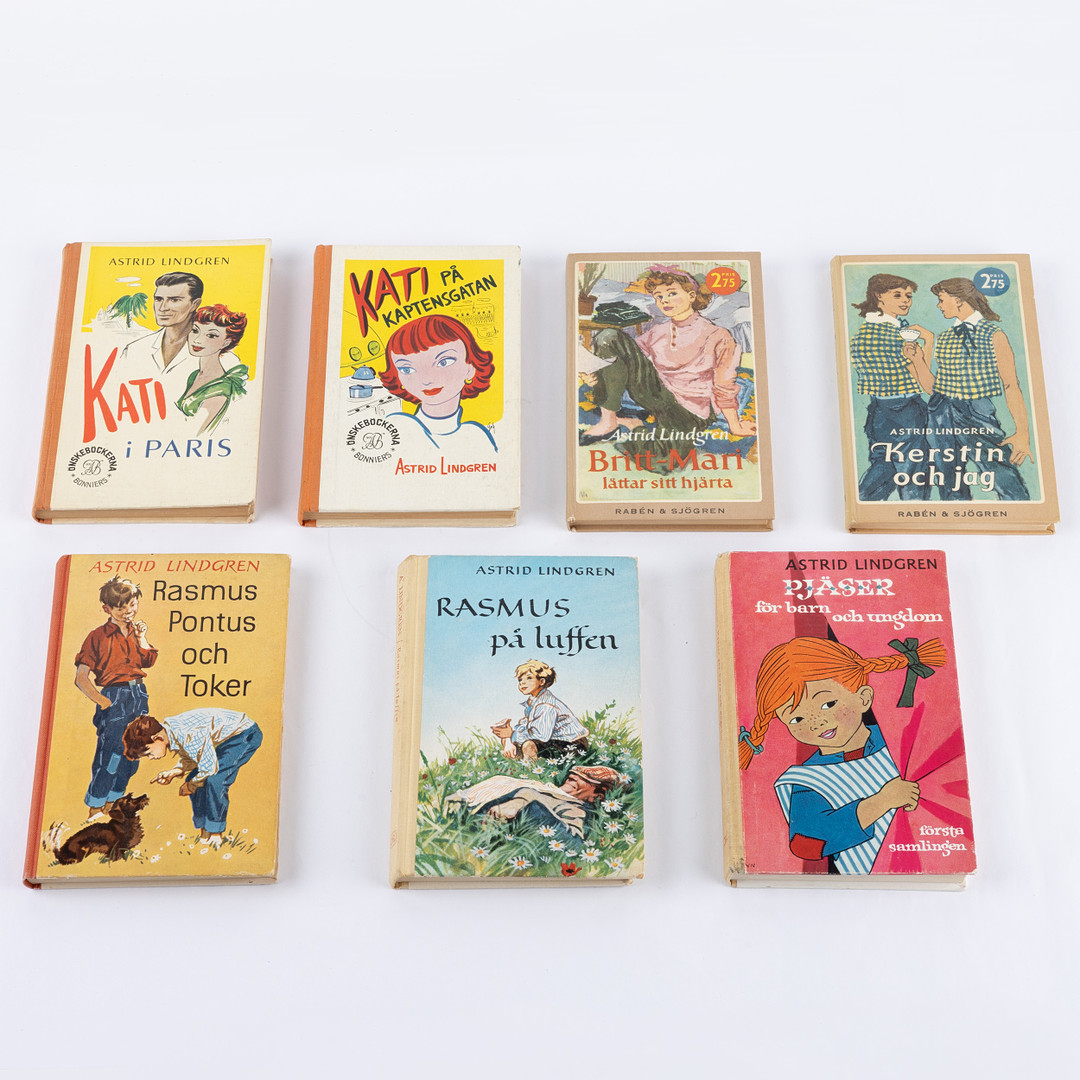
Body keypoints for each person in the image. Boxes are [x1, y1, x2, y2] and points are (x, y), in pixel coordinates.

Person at [740, 636, 945, 874]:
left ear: (863, 698)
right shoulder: (807, 780)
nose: (816, 722)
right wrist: (881, 802)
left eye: (827, 704)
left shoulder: (900, 741)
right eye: (797, 719)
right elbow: (806, 844)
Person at [581, 266, 756, 442]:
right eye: (659, 296)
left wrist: (735, 425)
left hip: (692, 410)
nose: (664, 300)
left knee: (652, 455)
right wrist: (592, 373)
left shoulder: (718, 335)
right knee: (609, 337)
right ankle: (609, 420)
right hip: (656, 395)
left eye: (672, 293)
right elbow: (627, 357)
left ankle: (634, 424)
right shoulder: (658, 331)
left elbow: (724, 383)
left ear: (691, 296)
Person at [925, 277, 1032, 499]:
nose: (938, 305)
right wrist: (916, 361)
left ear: (959, 300)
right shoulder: (944, 338)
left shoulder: (994, 334)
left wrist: (1022, 432)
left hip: (976, 411)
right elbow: (936, 387)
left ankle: (1022, 511)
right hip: (940, 412)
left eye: (942, 300)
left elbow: (1011, 384)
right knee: (948, 479)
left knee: (1000, 472)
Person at [73, 576, 157, 819]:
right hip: (115, 696)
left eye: (132, 604)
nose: (128, 611)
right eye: (121, 607)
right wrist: (105, 703)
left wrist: (142, 637)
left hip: (139, 695)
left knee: (132, 756)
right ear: (107, 609)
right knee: (110, 756)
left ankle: (112, 805)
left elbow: (148, 661)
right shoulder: (97, 636)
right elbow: (81, 678)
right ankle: (95, 808)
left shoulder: (134, 632)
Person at [847, 274, 935, 500]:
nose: (905, 300)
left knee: (883, 469)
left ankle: (864, 507)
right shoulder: (896, 337)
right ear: (879, 296)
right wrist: (929, 340)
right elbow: (927, 384)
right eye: (897, 295)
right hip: (906, 412)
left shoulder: (863, 333)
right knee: (914, 474)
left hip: (879, 412)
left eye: (908, 296)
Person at [121, 710, 262, 845]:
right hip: (228, 739)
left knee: (215, 780)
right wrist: (175, 771)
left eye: (149, 753)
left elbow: (209, 769)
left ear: (157, 738)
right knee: (194, 778)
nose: (151, 758)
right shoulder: (171, 731)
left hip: (245, 735)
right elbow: (193, 756)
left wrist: (191, 786)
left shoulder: (188, 734)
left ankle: (215, 834)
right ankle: (204, 831)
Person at [378, 313, 497, 453]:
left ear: (471, 368)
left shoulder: (477, 436)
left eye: (444, 362)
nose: (426, 380)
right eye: (407, 369)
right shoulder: (396, 425)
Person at [446, 765, 620, 840]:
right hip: (456, 809)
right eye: (574, 775)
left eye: (586, 779)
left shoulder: (574, 807)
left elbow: (572, 838)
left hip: (476, 828)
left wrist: (524, 801)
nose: (574, 776)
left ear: (598, 795)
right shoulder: (540, 786)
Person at [490, 659, 589, 761]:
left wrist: (511, 734)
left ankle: (531, 769)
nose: (522, 682)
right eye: (520, 680)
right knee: (512, 742)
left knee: (528, 745)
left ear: (541, 681)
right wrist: (508, 738)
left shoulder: (546, 705)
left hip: (573, 744)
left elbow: (541, 736)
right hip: (553, 740)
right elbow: (526, 726)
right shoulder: (534, 701)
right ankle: (520, 766)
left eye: (529, 678)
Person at [119, 271, 204, 390]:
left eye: (174, 300)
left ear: (195, 304)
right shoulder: (134, 349)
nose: (162, 308)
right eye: (158, 299)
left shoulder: (215, 352)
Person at [175, 304, 249, 433]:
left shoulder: (220, 390)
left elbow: (199, 434)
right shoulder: (195, 375)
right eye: (195, 330)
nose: (197, 340)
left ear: (226, 342)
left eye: (211, 335)